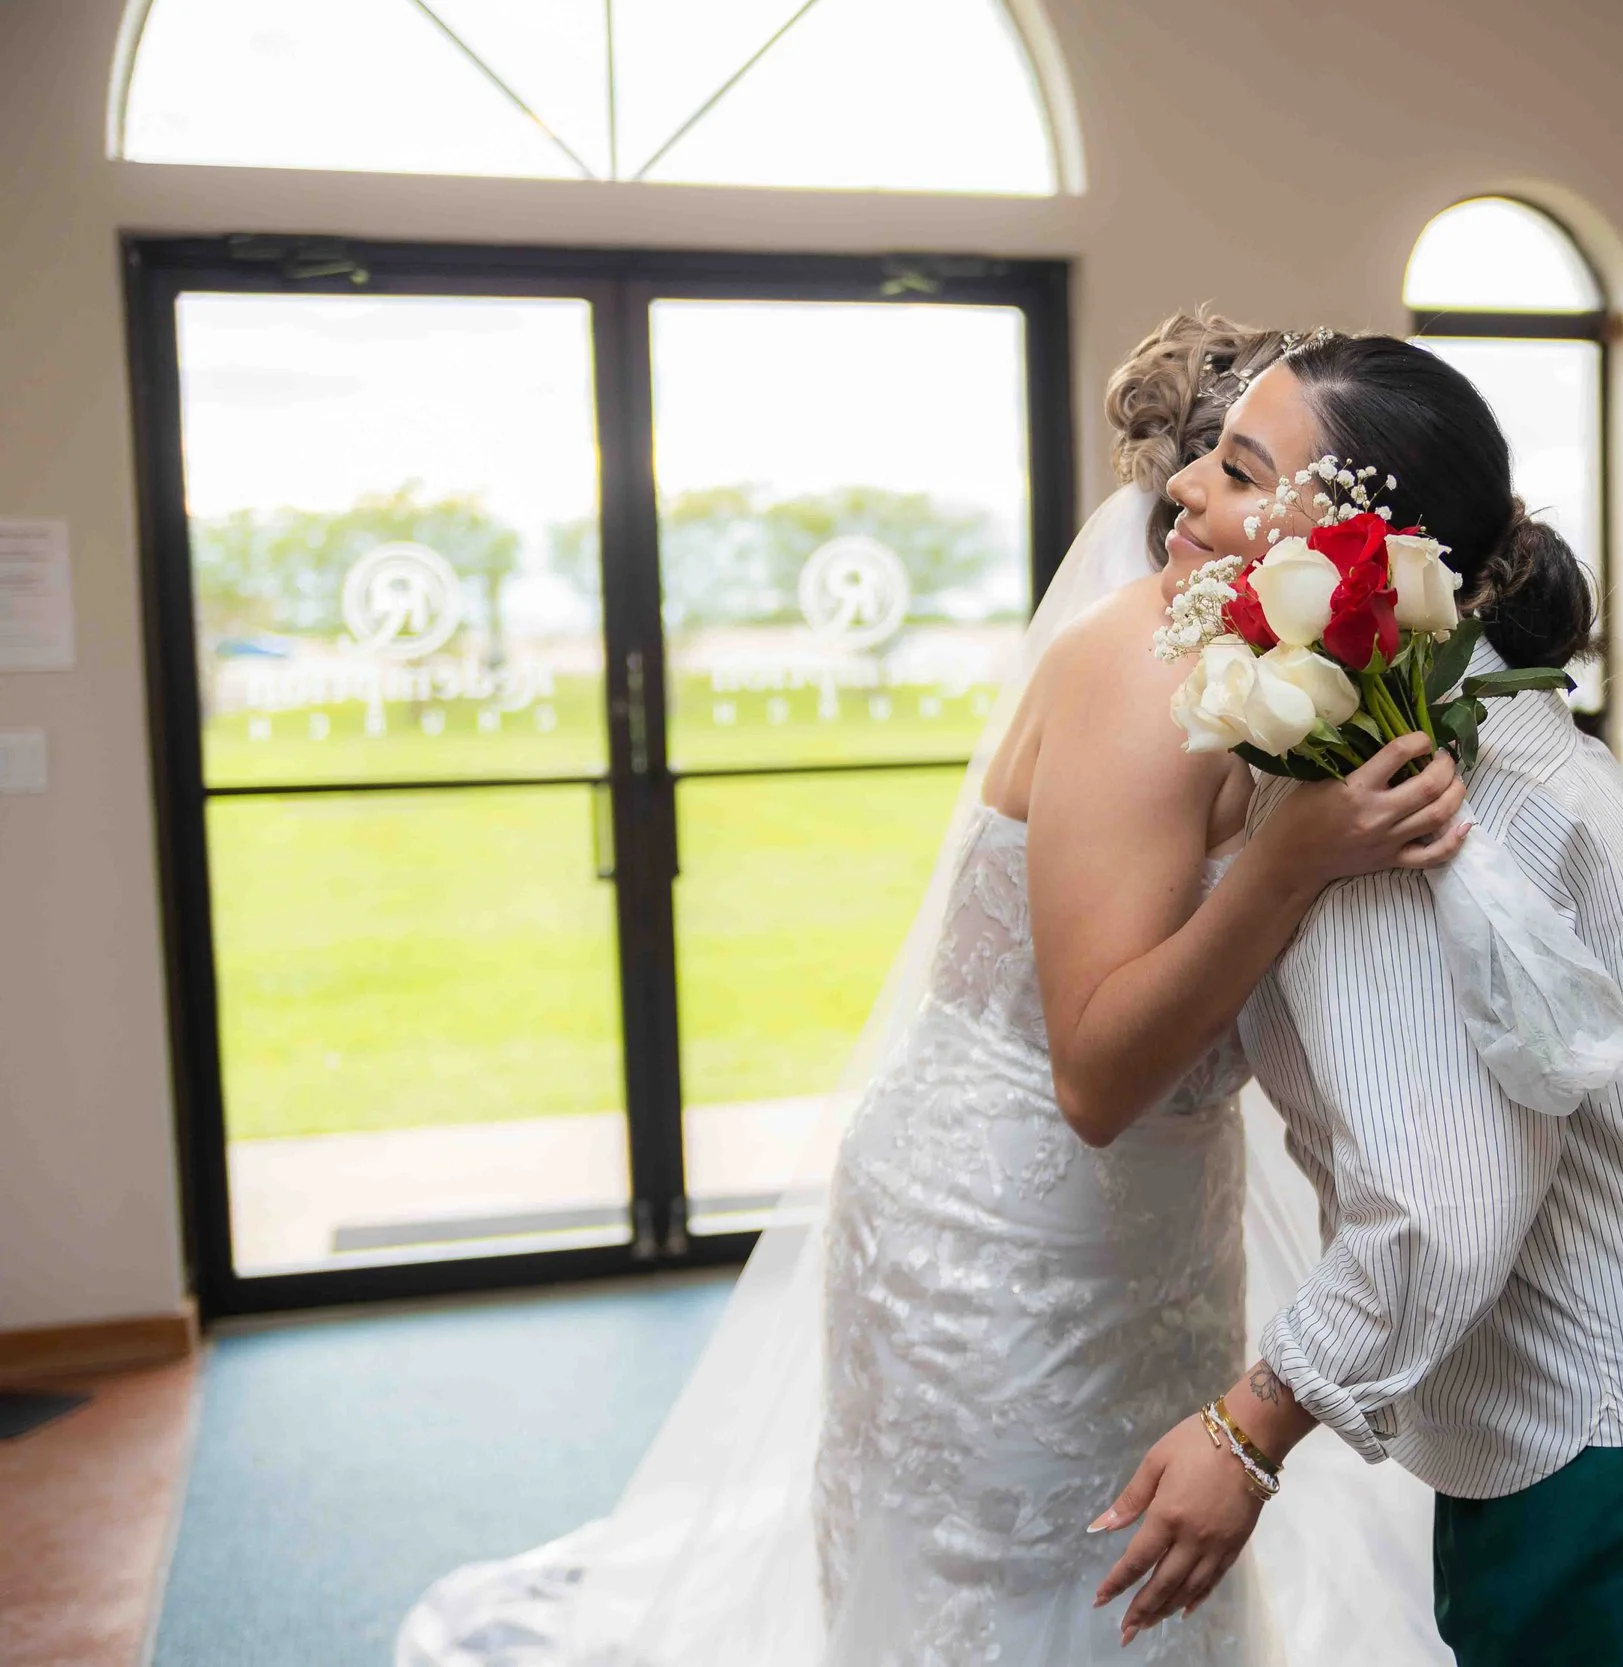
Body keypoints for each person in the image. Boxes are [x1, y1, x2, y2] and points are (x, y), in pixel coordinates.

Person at [395, 314, 1458, 1667]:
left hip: (1160, 1222)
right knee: (1010, 1580)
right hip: (1007, 1227)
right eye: (1218, 464)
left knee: (1137, 1580)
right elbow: (1095, 1073)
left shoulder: (1306, 686)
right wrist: (1285, 869)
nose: (1191, 498)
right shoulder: (1147, 665)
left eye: (1249, 472)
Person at [1095, 335, 1623, 1666]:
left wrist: (1248, 1430)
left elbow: (1443, 1193)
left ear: (1350, 549)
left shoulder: (1391, 792)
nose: (1185, 492)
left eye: (1237, 467)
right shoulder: (1467, 723)